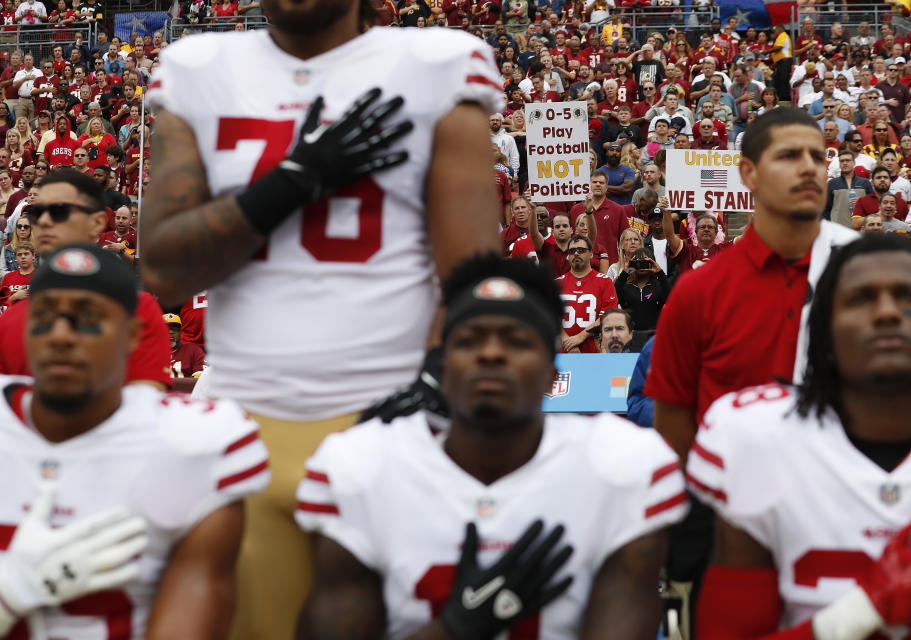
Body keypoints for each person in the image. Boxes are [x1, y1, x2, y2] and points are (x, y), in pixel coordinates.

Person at [141, 6, 506, 637]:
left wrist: (434, 392)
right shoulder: (200, 68)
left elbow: (472, 280)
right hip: (243, 428)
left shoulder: (432, 68)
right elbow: (165, 271)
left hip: (392, 418)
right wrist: (295, 178)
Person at [295, 254, 688, 639]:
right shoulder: (365, 467)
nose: (492, 353)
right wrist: (456, 628)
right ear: (443, 368)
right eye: (470, 340)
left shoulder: (621, 467)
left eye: (517, 341)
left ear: (555, 374)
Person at [644, 108, 859, 637]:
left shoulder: (868, 275)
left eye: (818, 156)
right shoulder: (697, 292)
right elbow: (673, 426)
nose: (810, 168)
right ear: (748, 173)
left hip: (847, 517)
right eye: (789, 156)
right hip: (729, 535)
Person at [690, 235, 911, 637]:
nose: (887, 312)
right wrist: (868, 610)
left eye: (910, 297)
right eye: (860, 298)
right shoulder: (757, 439)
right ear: (823, 328)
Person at [0, 242, 270, 639]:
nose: (60, 334)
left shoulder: (190, 445)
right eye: (43, 316)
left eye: (87, 317)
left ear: (132, 336)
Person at [0, 170, 169, 389]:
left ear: (97, 222)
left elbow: (145, 407)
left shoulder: (138, 311)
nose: (43, 221)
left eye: (59, 211)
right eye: (38, 212)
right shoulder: (10, 322)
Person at [556, 234, 618, 353]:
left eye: (581, 250)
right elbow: (551, 316)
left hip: (594, 350)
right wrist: (568, 343)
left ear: (591, 254)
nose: (576, 253)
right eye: (572, 251)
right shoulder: (557, 283)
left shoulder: (605, 281)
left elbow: (608, 315)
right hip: (563, 351)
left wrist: (580, 337)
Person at [613, 246, 671, 333]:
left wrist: (660, 273)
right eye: (637, 262)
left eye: (644, 261)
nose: (641, 264)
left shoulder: (659, 284)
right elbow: (614, 298)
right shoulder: (626, 286)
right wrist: (626, 272)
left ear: (652, 262)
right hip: (630, 336)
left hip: (653, 335)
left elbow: (670, 299)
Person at [165, 312, 206, 379]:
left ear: (181, 332)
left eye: (175, 329)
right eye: (166, 329)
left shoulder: (194, 351)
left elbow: (201, 379)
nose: (171, 332)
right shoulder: (152, 353)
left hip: (187, 389)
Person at [0, 239, 33, 306]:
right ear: (15, 257)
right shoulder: (8, 277)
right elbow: (1, 305)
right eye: (19, 255)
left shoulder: (41, 275)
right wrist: (14, 297)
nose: (23, 257)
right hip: (13, 315)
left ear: (33, 256)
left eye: (26, 254)